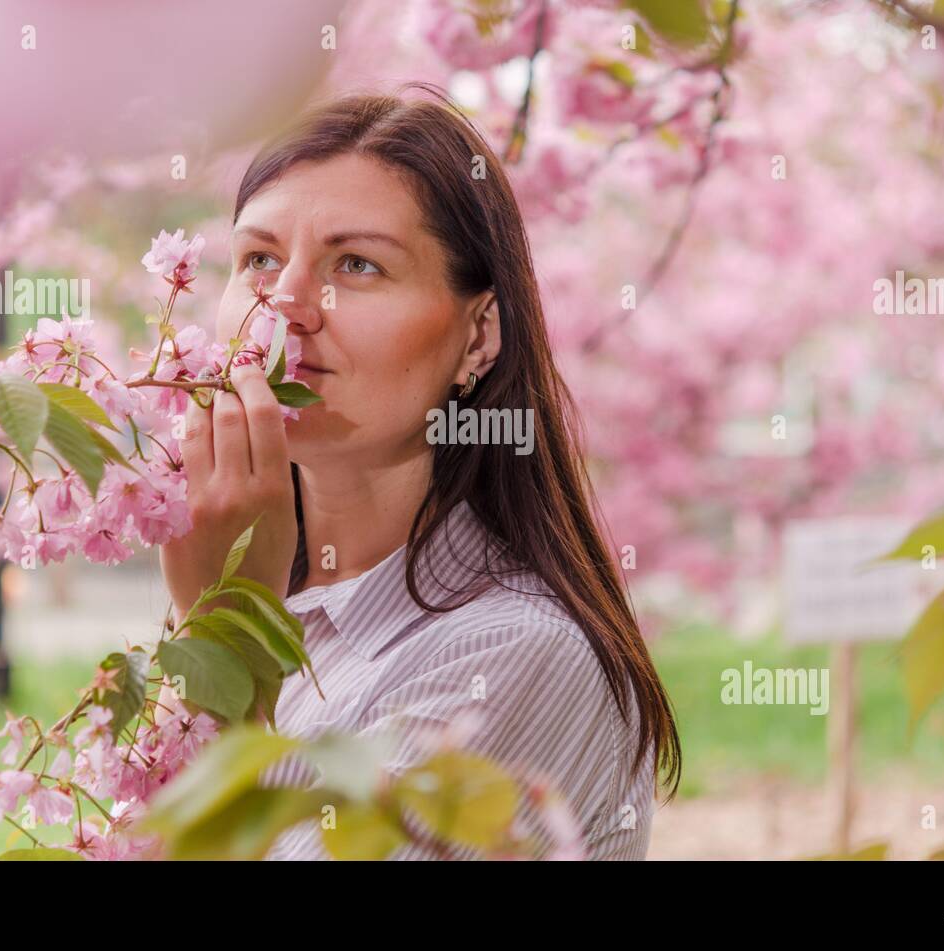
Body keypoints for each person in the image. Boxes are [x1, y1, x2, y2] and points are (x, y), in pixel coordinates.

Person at [159, 86, 680, 859]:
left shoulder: (518, 656)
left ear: (478, 335)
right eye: (259, 259)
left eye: (358, 264)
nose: (288, 306)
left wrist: (223, 635)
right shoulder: (283, 604)